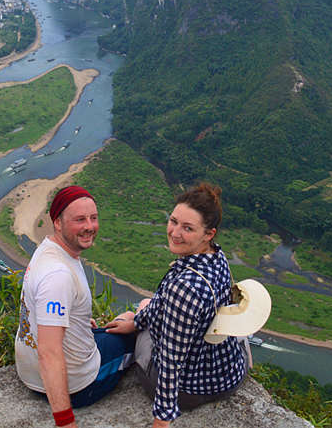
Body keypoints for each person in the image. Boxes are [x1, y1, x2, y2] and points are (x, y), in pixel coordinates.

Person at [106, 183, 248, 428]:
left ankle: (136, 319)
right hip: (230, 374)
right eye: (173, 221)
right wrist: (141, 318)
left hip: (190, 390)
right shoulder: (217, 256)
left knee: (143, 308)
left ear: (208, 234)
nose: (175, 232)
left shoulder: (183, 288)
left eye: (188, 228)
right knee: (148, 306)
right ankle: (139, 316)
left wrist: (162, 420)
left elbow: (171, 362)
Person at [15, 185, 135, 428]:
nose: (90, 226)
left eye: (93, 218)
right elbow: (49, 353)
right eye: (79, 220)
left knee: (125, 318)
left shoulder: (48, 249)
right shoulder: (58, 275)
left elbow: (44, 308)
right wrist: (65, 421)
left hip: (30, 374)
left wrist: (74, 321)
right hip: (79, 385)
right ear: (57, 223)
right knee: (139, 330)